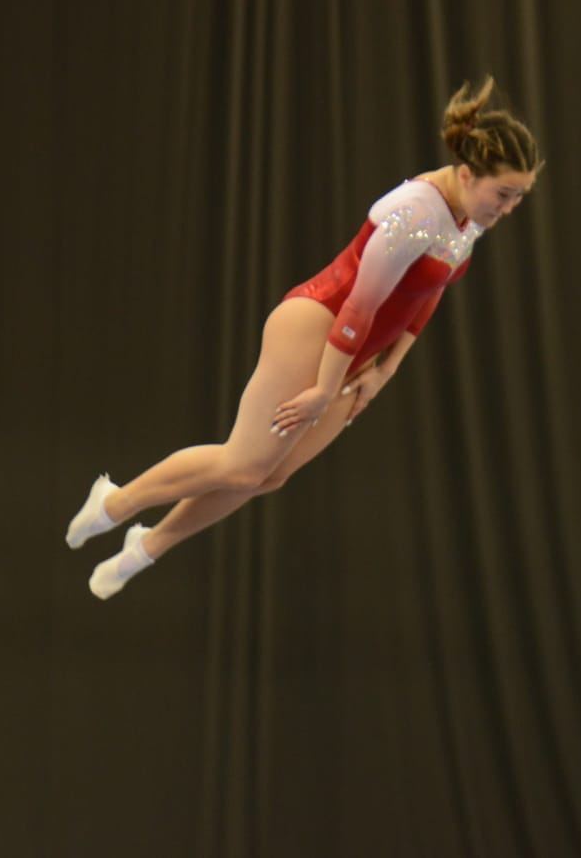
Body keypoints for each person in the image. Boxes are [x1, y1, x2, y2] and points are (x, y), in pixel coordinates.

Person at [65, 77, 542, 598]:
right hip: (318, 325)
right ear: (469, 174)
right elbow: (359, 304)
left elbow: (428, 293)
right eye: (505, 194)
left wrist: (384, 370)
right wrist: (322, 387)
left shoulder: (469, 218)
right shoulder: (415, 212)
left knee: (270, 476)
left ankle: (145, 547)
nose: (510, 207)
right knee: (242, 465)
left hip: (357, 352)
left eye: (519, 195)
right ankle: (114, 503)